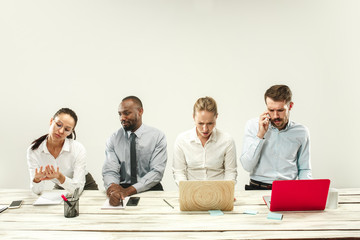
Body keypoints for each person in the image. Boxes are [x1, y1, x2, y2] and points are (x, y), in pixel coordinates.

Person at [240, 85, 312, 190]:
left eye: (280, 110)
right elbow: (247, 166)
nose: (275, 116)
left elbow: (305, 169)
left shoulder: (301, 132)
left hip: (288, 189)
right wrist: (260, 135)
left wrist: (306, 192)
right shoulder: (253, 126)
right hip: (257, 188)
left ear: (290, 106)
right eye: (271, 110)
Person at [102, 96, 167, 206]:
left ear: (140, 111)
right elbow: (110, 170)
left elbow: (156, 172)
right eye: (120, 114)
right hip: (121, 188)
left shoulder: (157, 137)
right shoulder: (113, 139)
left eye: (126, 113)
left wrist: (128, 191)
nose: (122, 118)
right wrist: (113, 187)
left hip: (150, 188)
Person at [27, 108, 98, 195]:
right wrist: (36, 180)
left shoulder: (78, 148)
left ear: (71, 132)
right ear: (51, 121)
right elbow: (37, 191)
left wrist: (60, 177)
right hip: (61, 186)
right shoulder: (34, 150)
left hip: (85, 186)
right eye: (58, 124)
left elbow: (77, 189)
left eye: (67, 129)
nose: (60, 131)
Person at [173, 97, 237, 185]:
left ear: (216, 117)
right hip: (191, 192)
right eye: (200, 123)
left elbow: (230, 172)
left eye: (210, 123)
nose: (205, 129)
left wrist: (227, 192)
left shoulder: (227, 140)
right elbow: (179, 172)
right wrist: (186, 191)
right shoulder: (182, 140)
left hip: (219, 192)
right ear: (193, 117)